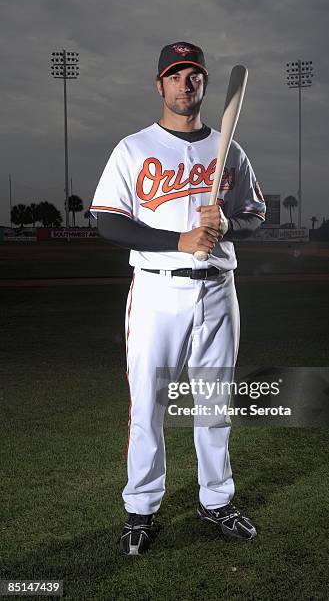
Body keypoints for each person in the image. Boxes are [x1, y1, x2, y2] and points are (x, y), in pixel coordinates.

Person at [90, 41, 266, 556]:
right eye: (175, 75)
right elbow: (107, 220)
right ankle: (141, 509)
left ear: (204, 83)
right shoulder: (133, 148)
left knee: (214, 403)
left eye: (194, 75)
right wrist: (178, 240)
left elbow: (255, 214)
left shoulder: (229, 150)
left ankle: (217, 499)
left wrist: (229, 224)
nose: (185, 84)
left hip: (217, 291)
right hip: (157, 292)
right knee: (148, 403)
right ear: (160, 85)